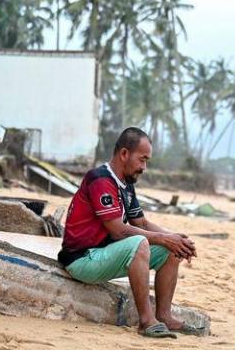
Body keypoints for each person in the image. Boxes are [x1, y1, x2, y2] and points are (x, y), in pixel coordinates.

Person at [58, 127, 199, 339]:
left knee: (172, 250)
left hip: (104, 253)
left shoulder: (125, 182)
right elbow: (118, 231)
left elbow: (141, 221)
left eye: (147, 161)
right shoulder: (100, 179)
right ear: (124, 154)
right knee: (139, 242)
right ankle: (145, 321)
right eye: (142, 159)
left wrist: (175, 239)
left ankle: (164, 316)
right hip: (82, 259)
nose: (144, 167)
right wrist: (164, 238)